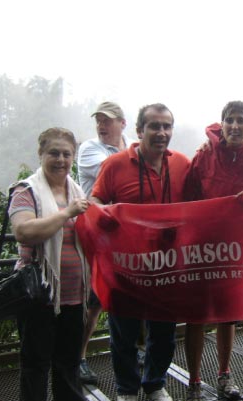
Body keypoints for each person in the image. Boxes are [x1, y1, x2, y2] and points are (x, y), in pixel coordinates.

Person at [91, 103, 190, 401]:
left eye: (167, 127)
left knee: (164, 331)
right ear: (139, 130)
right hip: (126, 265)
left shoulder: (183, 165)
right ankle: (126, 389)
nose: (162, 133)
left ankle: (155, 382)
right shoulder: (116, 165)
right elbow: (95, 199)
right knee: (124, 331)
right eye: (154, 126)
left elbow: (203, 198)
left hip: (167, 265)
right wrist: (105, 216)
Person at [183, 100, 243, 401]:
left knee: (227, 315)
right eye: (230, 120)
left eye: (241, 120)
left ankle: (224, 375)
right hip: (201, 250)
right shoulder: (202, 158)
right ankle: (194, 384)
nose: (235, 126)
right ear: (222, 124)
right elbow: (188, 202)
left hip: (234, 254)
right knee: (196, 317)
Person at [9, 127, 90, 401]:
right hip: (39, 295)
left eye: (67, 154)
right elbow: (24, 232)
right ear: (40, 154)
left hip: (73, 295)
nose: (60, 159)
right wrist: (67, 213)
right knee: (36, 363)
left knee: (68, 364)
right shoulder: (26, 190)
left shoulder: (76, 190)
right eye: (53, 152)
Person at [77, 101, 134, 385]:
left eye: (107, 120)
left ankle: (131, 353)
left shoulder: (133, 147)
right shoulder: (90, 149)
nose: (101, 125)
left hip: (123, 238)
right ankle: (79, 357)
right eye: (98, 120)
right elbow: (120, 173)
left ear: (122, 123)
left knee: (124, 296)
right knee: (93, 299)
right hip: (94, 236)